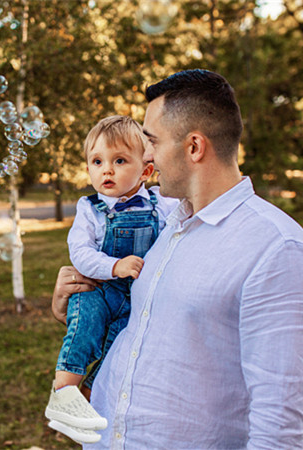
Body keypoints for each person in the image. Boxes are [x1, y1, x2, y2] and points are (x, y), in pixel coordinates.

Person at [51, 69, 303, 448]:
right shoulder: (170, 225)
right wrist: (72, 308)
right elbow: (152, 327)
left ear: (194, 147)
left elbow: (282, 425)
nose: (146, 155)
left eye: (151, 141)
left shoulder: (276, 249)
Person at [44, 116, 178, 444]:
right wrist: (114, 266)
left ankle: (87, 397)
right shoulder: (89, 208)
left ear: (146, 171)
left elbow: (193, 206)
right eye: (97, 161)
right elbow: (80, 253)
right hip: (100, 288)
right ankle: (64, 391)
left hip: (136, 298)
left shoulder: (162, 203)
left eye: (119, 161)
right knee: (85, 327)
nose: (107, 170)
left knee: (117, 348)